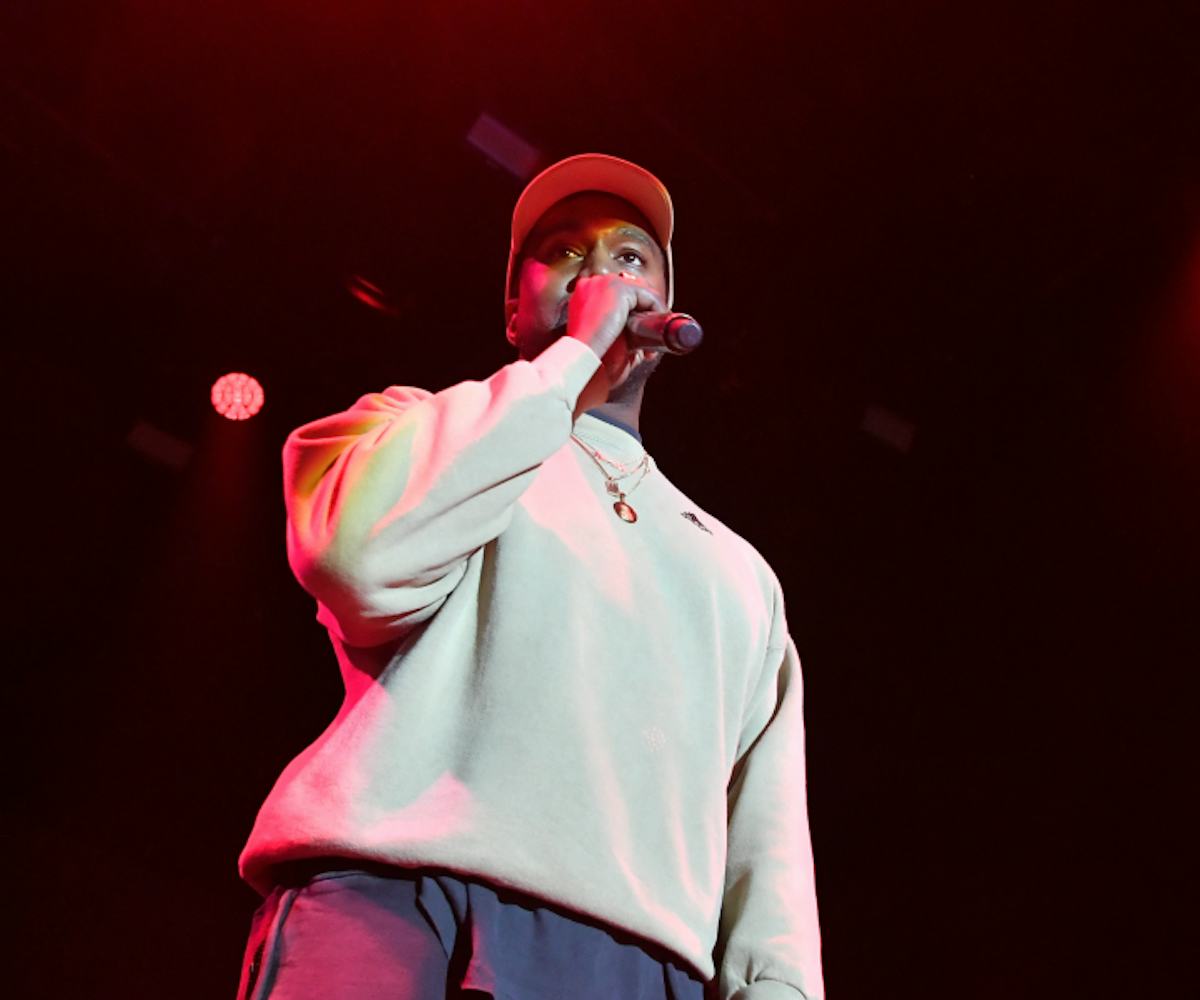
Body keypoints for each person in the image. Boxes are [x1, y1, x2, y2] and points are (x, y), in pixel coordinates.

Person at [236, 154, 823, 1000]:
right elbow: (356, 562)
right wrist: (570, 361)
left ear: (667, 304)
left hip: (637, 963)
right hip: (398, 900)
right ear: (514, 306)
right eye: (564, 251)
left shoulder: (737, 571)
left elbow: (766, 851)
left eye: (630, 257)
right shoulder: (409, 429)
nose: (601, 273)